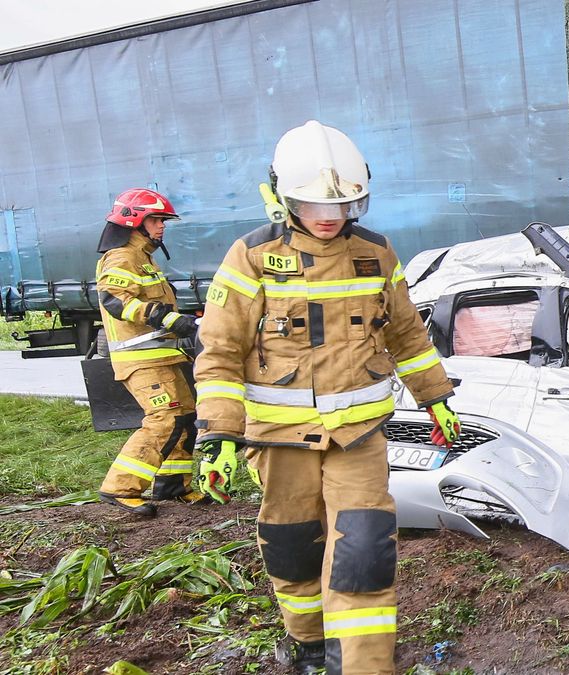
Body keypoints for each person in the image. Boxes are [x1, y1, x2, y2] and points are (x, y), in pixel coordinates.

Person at [191, 120, 460, 675]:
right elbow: (218, 352)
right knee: (292, 546)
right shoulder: (251, 258)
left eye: (344, 205)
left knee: (364, 552)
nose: (330, 217)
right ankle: (309, 643)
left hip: (358, 438)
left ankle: (362, 666)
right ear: (282, 198)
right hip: (278, 439)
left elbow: (407, 335)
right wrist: (217, 434)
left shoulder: (377, 255)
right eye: (313, 205)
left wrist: (436, 397)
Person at [95, 188, 204, 517]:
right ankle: (120, 488)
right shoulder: (121, 258)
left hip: (164, 357)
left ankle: (173, 487)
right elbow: (115, 301)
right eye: (156, 220)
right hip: (140, 360)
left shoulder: (144, 258)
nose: (162, 227)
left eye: (163, 221)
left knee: (185, 419)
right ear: (135, 221)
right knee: (165, 419)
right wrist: (167, 317)